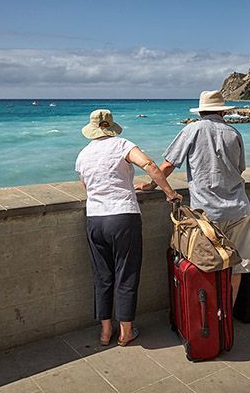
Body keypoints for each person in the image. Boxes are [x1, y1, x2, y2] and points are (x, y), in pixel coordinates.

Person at [136, 90, 250, 305]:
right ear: (222, 111)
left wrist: (152, 184)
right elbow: (240, 169)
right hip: (239, 208)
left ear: (201, 111)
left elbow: (169, 164)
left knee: (206, 265)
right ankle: (226, 315)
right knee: (238, 266)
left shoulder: (192, 129)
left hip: (207, 213)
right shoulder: (234, 132)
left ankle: (208, 317)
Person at [76, 109, 182, 346]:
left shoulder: (82, 155)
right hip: (123, 216)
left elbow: (88, 187)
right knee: (126, 273)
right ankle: (125, 331)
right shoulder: (122, 145)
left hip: (95, 218)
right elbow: (150, 164)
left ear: (92, 130)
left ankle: (105, 332)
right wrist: (170, 193)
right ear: (111, 127)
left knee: (102, 276)